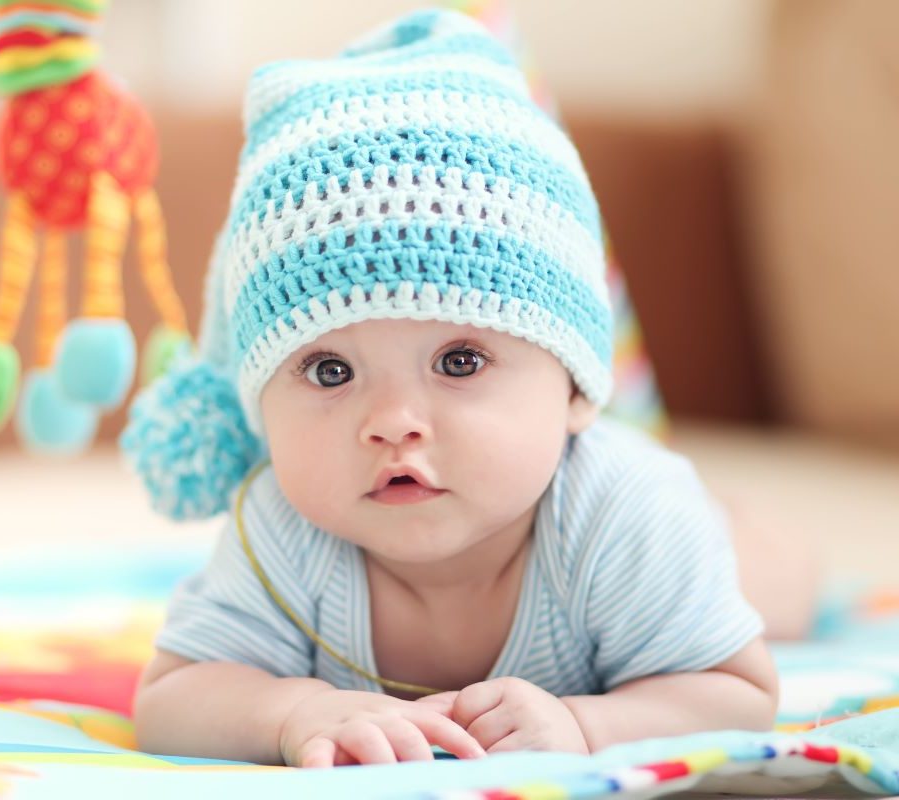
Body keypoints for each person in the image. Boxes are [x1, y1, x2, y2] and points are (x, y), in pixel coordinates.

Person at [122, 9, 779, 769]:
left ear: (577, 387)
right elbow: (171, 699)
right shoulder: (283, 529)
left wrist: (588, 727)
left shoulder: (627, 514)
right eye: (330, 371)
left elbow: (736, 688)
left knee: (767, 579)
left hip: (684, 546)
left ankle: (755, 540)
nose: (394, 423)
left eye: (460, 362)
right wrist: (292, 711)